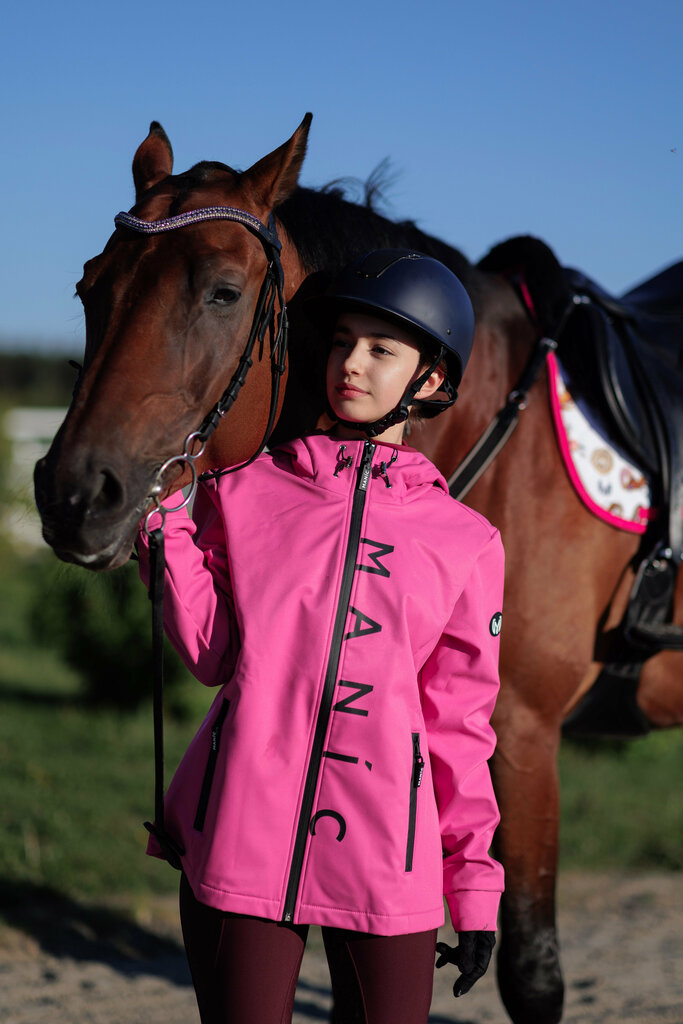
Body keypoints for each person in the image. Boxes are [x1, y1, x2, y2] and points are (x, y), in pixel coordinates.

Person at [136, 249, 504, 1024]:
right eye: (342, 342)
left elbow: (458, 727)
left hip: (389, 858)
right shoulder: (244, 491)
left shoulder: (466, 541)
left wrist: (472, 885)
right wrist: (165, 522)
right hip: (239, 834)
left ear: (431, 379)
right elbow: (212, 655)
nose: (351, 365)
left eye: (380, 349)